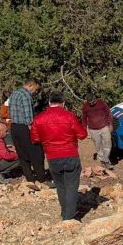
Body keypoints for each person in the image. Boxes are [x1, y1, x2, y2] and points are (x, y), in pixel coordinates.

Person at [31, 92, 88, 220]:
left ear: (49, 102)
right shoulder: (69, 116)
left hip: (52, 156)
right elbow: (82, 135)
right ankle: (69, 216)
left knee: (61, 186)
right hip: (70, 154)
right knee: (71, 186)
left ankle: (65, 212)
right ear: (63, 103)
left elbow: (35, 138)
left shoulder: (39, 118)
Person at [8, 80, 47, 183]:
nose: (35, 92)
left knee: (22, 154)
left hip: (14, 127)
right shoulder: (26, 95)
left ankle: (29, 178)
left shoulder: (14, 93)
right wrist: (33, 129)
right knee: (36, 153)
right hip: (25, 127)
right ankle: (41, 178)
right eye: (36, 89)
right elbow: (28, 115)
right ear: (31, 85)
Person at [81, 92, 114, 169]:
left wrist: (111, 124)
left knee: (108, 142)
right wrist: (84, 128)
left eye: (93, 101)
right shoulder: (85, 106)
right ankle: (102, 160)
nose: (92, 103)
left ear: (95, 98)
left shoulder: (101, 102)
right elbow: (84, 118)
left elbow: (108, 113)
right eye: (90, 103)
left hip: (104, 127)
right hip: (93, 129)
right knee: (98, 145)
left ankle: (106, 159)